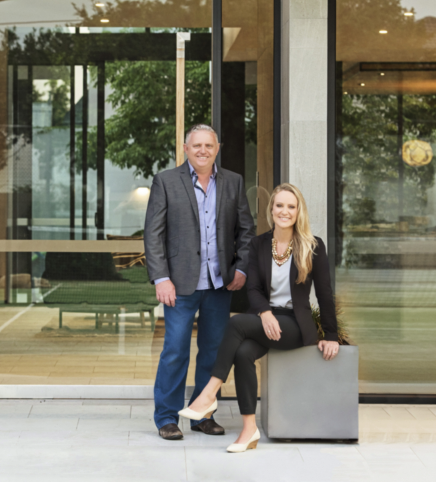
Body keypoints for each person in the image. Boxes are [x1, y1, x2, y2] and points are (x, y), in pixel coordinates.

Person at [179, 183, 340, 453]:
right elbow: (253, 288)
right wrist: (265, 313)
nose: (285, 211)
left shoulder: (313, 246)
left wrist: (331, 335)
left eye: (291, 206)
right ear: (271, 209)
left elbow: (324, 294)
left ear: (298, 211)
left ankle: (208, 393)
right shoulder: (258, 244)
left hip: (294, 324)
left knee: (235, 323)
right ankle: (249, 429)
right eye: (280, 205)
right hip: (266, 319)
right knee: (243, 354)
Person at [144, 124, 255, 440]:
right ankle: (167, 417)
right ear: (185, 148)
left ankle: (202, 414)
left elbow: (245, 231)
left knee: (213, 352)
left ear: (217, 148)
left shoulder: (233, 182)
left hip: (220, 285)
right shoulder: (166, 181)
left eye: (208, 145)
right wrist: (161, 278)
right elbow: (153, 234)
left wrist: (241, 269)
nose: (203, 150)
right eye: (196, 145)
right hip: (178, 285)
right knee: (175, 350)